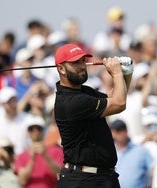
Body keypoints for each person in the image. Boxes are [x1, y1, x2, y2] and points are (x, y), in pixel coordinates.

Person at [54, 43, 133, 188]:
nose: (82, 66)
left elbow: (113, 98)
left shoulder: (83, 92)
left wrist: (126, 74)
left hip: (103, 178)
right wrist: (116, 73)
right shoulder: (70, 101)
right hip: (82, 180)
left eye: (83, 61)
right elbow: (119, 103)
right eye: (75, 63)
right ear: (61, 69)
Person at [14, 121, 63, 188]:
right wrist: (32, 159)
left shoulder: (56, 151)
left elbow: (60, 175)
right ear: (28, 132)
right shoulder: (21, 156)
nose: (35, 132)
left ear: (43, 131)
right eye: (31, 129)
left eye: (38, 129)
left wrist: (46, 155)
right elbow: (22, 180)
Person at [109, 119, 153, 188]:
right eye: (118, 130)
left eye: (123, 129)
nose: (122, 133)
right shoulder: (109, 153)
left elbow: (153, 171)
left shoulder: (141, 150)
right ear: (112, 133)